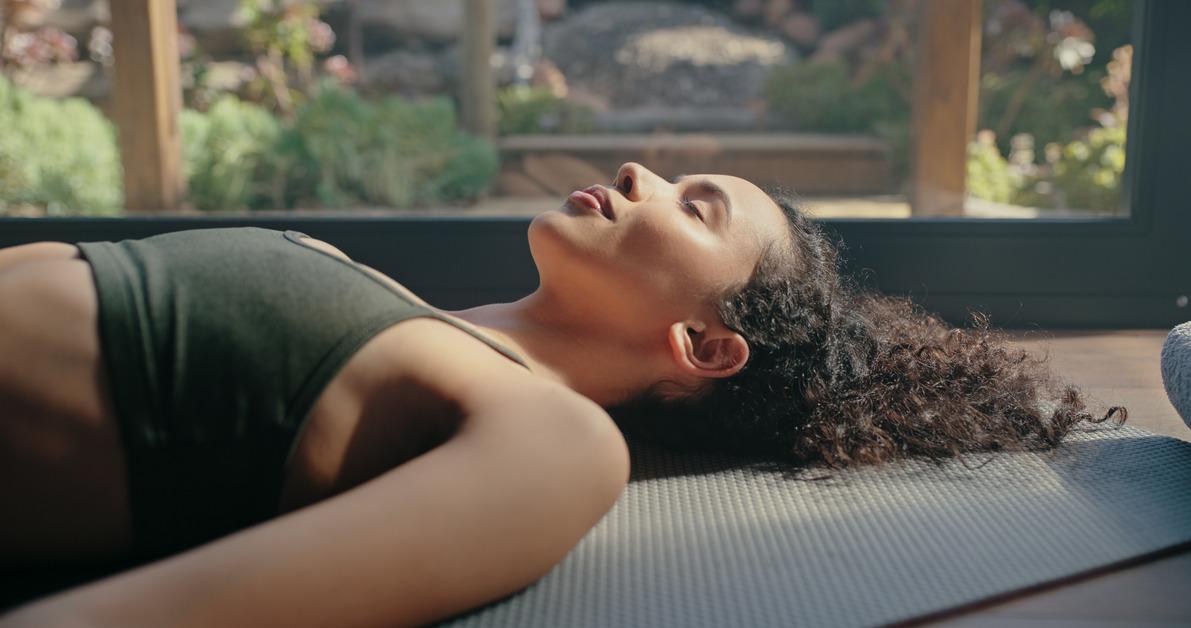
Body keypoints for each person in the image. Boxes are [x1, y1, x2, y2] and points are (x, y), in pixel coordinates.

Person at [0, 162, 1125, 626]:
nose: (640, 173)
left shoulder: (554, 440)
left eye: (695, 207)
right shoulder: (398, 304)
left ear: (705, 346)